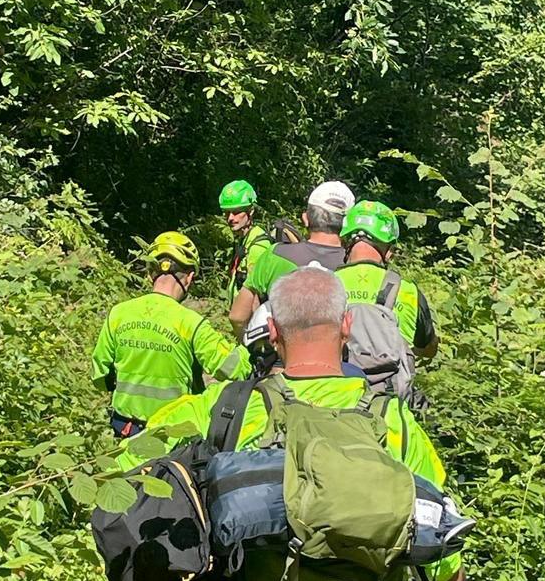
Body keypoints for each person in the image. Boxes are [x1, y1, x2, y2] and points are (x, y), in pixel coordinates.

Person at [131, 268, 477, 581]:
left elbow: (124, 477)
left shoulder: (222, 409)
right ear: (347, 326)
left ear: (272, 330)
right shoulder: (393, 423)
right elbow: (441, 561)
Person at [91, 231, 250, 438]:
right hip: (171, 435)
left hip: (125, 430)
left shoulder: (118, 314)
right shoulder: (190, 323)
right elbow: (234, 369)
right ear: (190, 277)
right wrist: (250, 349)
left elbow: (100, 377)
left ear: (150, 274)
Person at [228, 180, 355, 337]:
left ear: (305, 218)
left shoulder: (275, 254)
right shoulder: (352, 266)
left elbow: (237, 317)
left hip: (280, 357)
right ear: (348, 225)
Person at [337, 201, 438, 359]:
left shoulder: (325, 285)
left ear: (344, 243)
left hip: (338, 381)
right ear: (389, 252)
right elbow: (428, 349)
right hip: (391, 383)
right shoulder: (409, 292)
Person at [219, 179, 271, 308]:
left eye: (237, 212)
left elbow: (255, 294)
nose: (230, 218)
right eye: (226, 212)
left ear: (251, 211)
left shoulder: (258, 245)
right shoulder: (244, 239)